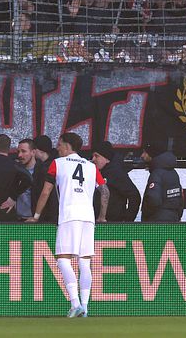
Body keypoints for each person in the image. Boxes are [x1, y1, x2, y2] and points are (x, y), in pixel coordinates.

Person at [27, 133, 109, 318]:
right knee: (84, 261)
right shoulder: (90, 166)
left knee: (63, 259)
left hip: (69, 215)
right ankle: (86, 307)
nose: (57, 148)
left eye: (60, 144)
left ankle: (75, 303)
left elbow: (46, 191)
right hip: (88, 217)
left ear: (68, 146)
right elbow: (104, 189)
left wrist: (36, 216)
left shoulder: (58, 163)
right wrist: (102, 216)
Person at [92, 142, 140, 222]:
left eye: (97, 156)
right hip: (98, 223)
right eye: (92, 156)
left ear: (107, 159)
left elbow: (134, 196)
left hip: (113, 223)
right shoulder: (97, 172)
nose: (93, 159)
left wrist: (127, 220)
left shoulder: (116, 173)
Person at [140, 145, 183, 222]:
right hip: (173, 218)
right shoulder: (173, 173)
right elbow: (180, 197)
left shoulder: (157, 173)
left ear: (152, 154)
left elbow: (154, 199)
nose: (142, 155)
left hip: (157, 221)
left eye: (145, 152)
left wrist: (146, 214)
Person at [14, 138, 38, 220]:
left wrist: (36, 217)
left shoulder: (41, 172)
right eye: (18, 152)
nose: (19, 155)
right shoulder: (16, 170)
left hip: (33, 219)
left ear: (33, 152)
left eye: (23, 151)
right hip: (16, 218)